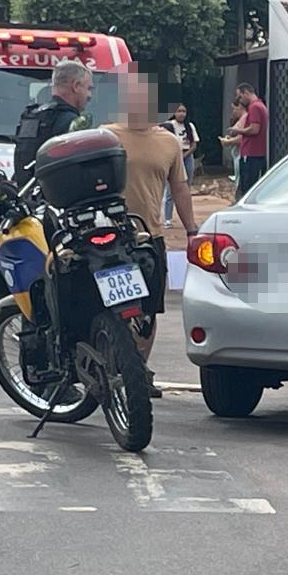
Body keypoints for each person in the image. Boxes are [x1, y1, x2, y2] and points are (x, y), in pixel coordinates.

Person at [103, 69, 199, 397]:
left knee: (148, 309)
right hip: (109, 236)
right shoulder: (106, 136)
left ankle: (138, 371)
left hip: (150, 237)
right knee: (110, 306)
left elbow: (180, 188)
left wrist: (191, 230)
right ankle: (108, 365)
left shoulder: (168, 142)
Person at [12, 59, 94, 186]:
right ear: (76, 86)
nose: (90, 95)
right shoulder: (72, 123)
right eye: (89, 88)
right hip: (57, 199)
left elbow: (23, 159)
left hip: (27, 196)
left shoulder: (33, 116)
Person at [160, 103, 200, 228]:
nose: (181, 114)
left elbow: (194, 144)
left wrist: (185, 155)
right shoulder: (168, 125)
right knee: (170, 190)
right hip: (173, 157)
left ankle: (188, 220)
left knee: (186, 189)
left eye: (183, 111)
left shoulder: (190, 126)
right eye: (179, 111)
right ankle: (167, 218)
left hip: (187, 156)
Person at [227, 83, 268, 197]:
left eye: (240, 96)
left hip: (251, 153)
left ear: (247, 93)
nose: (239, 100)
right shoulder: (260, 105)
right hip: (256, 152)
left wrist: (238, 131)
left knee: (247, 187)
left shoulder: (254, 107)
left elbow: (254, 129)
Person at [219, 98, 248, 192]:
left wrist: (229, 141)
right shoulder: (241, 119)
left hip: (241, 153)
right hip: (237, 152)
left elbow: (242, 138)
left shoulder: (245, 118)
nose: (233, 112)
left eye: (234, 109)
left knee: (240, 178)